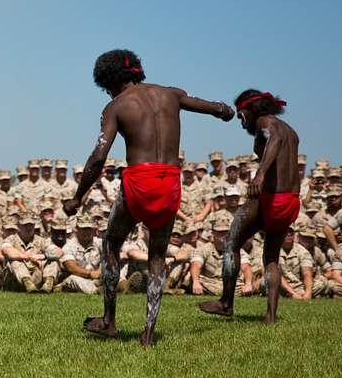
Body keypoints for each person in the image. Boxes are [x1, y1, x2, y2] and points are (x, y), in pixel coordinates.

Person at [63, 49, 233, 346]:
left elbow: (98, 157)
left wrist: (77, 197)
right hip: (169, 181)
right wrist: (225, 110)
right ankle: (149, 333)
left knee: (111, 243)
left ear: (110, 80)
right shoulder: (172, 95)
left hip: (139, 182)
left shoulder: (116, 106)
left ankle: (109, 321)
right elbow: (215, 109)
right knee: (157, 254)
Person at [199, 89, 301, 324]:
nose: (240, 120)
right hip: (290, 200)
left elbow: (273, 139)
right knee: (271, 257)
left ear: (251, 110)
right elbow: (273, 144)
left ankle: (226, 302)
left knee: (231, 241)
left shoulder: (267, 123)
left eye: (241, 114)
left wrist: (260, 175)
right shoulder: (291, 131)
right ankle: (271, 316)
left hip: (272, 197)